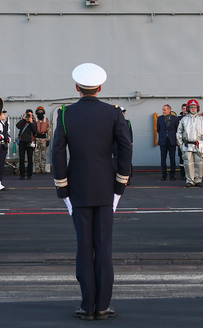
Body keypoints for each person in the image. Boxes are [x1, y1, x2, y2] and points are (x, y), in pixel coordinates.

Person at [52, 63, 132, 321]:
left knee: (84, 247)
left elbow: (57, 152)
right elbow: (125, 149)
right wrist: (120, 184)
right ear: (100, 88)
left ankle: (87, 305)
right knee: (104, 247)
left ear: (77, 88)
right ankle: (102, 306)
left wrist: (62, 187)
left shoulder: (65, 114)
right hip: (106, 188)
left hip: (78, 188)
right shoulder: (113, 113)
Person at [176, 98, 203, 187]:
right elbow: (179, 132)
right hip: (187, 145)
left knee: (199, 163)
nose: (193, 109)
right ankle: (189, 181)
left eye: (195, 107)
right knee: (188, 163)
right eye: (191, 107)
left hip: (199, 144)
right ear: (188, 109)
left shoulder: (202, 119)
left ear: (197, 108)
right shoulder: (183, 120)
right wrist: (181, 144)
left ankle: (198, 180)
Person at [156, 104, 180, 181]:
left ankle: (172, 175)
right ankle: (164, 175)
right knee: (163, 159)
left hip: (172, 141)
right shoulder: (160, 118)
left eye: (165, 110)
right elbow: (158, 129)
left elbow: (177, 130)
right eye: (163, 110)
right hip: (163, 141)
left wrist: (176, 139)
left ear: (169, 110)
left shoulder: (175, 119)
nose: (163, 111)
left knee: (172, 158)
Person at [16, 109, 37, 180]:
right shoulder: (23, 122)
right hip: (22, 142)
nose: (28, 116)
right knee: (21, 159)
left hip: (30, 142)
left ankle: (29, 175)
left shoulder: (34, 123)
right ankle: (22, 175)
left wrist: (31, 122)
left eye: (30, 115)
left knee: (30, 159)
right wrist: (23, 119)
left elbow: (35, 131)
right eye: (27, 114)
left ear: (32, 115)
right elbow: (18, 126)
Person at [33, 106, 51, 175]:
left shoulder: (46, 120)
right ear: (36, 112)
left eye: (41, 111)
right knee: (36, 155)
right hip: (36, 139)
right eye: (39, 111)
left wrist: (48, 140)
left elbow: (49, 130)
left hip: (44, 139)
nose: (40, 112)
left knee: (43, 155)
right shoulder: (34, 120)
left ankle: (43, 169)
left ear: (43, 112)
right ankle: (37, 169)